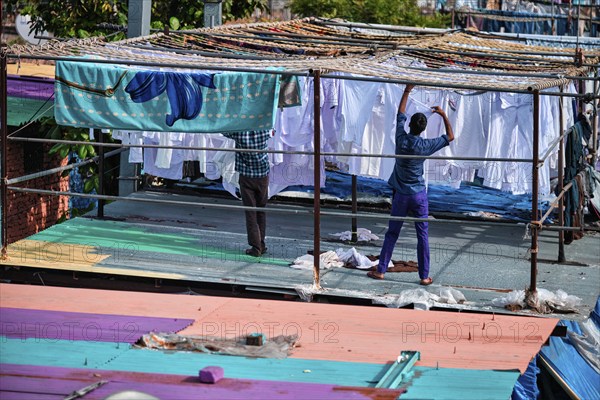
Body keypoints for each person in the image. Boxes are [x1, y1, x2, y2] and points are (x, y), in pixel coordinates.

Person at [367, 84, 454, 285]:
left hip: (400, 194)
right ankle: (424, 276)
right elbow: (450, 136)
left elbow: (400, 113)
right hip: (418, 195)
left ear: (410, 126)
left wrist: (407, 91)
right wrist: (442, 115)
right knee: (422, 234)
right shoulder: (425, 145)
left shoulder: (400, 138)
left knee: (392, 233)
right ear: (423, 129)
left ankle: (381, 270)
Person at [222, 130, 271, 257]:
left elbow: (224, 131)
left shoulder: (239, 132)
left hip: (247, 177)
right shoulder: (264, 130)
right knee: (261, 210)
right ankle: (261, 244)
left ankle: (256, 247)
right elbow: (273, 131)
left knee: (251, 212)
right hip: (262, 176)